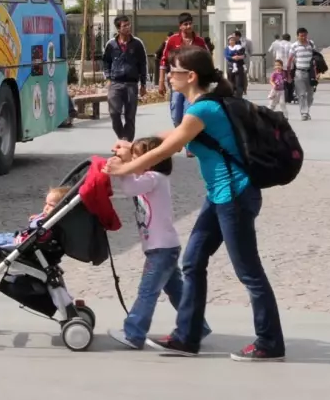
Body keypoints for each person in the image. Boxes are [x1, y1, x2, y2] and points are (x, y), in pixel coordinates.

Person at [105, 45, 285, 362]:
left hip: (235, 195)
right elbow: (164, 138)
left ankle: (270, 341)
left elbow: (163, 152)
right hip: (219, 196)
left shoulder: (202, 111)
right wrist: (131, 146)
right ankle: (187, 337)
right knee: (192, 261)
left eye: (172, 71)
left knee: (248, 271)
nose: (168, 76)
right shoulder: (201, 107)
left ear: (190, 76)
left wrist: (124, 168)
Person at [107, 136, 211, 350]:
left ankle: (134, 333)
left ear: (152, 160)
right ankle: (197, 326)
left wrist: (121, 168)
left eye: (138, 157)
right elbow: (135, 176)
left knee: (148, 291)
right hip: (164, 247)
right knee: (178, 291)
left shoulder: (154, 178)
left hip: (161, 249)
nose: (134, 160)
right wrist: (128, 157)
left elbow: (129, 188)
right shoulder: (152, 176)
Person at [158, 13, 207, 151]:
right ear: (180, 26)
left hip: (193, 83)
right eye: (185, 24)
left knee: (189, 112)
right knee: (176, 114)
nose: (189, 26)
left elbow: (207, 59)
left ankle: (189, 145)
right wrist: (161, 81)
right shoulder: (173, 41)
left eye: (190, 23)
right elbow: (163, 61)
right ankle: (181, 137)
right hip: (177, 81)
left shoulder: (200, 42)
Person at [102, 15, 148, 141]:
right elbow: (106, 62)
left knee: (130, 116)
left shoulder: (137, 44)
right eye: (124, 26)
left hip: (131, 84)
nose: (128, 28)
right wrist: (108, 78)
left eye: (129, 25)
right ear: (118, 28)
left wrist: (143, 84)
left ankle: (127, 142)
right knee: (114, 113)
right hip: (115, 83)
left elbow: (143, 64)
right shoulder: (111, 45)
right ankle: (122, 137)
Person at [0, 186, 71, 248]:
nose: (46, 207)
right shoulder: (49, 217)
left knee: (6, 241)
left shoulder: (54, 224)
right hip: (22, 236)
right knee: (8, 235)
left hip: (24, 243)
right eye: (46, 203)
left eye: (51, 205)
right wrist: (37, 218)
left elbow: (42, 237)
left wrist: (38, 225)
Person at [287, 27, 317, 121]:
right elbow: (290, 60)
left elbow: (315, 59)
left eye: (304, 35)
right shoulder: (294, 46)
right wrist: (288, 74)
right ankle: (304, 113)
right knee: (302, 94)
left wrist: (317, 73)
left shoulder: (311, 44)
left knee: (310, 95)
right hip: (299, 72)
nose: (303, 37)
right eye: (301, 36)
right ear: (297, 36)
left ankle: (307, 110)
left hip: (310, 73)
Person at [224, 34, 247, 99]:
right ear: (228, 41)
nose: (232, 41)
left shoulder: (238, 47)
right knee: (231, 81)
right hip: (230, 67)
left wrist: (239, 57)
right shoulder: (227, 49)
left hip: (239, 66)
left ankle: (239, 96)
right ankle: (231, 95)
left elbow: (244, 55)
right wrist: (233, 58)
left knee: (239, 82)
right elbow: (226, 56)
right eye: (231, 40)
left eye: (233, 40)